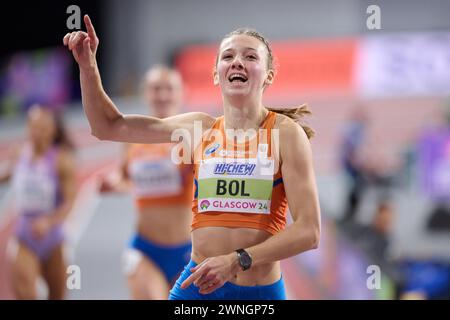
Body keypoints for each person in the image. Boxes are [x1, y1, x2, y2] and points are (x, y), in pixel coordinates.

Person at [64, 15, 321, 300]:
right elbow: (107, 126)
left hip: (258, 294)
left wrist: (236, 260)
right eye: (228, 56)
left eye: (250, 56)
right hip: (197, 287)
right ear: (216, 74)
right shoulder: (198, 129)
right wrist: (88, 67)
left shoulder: (286, 135)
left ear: (269, 75)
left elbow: (308, 231)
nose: (237, 61)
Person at [98, 65, 193, 299]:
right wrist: (113, 183)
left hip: (190, 251)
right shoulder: (133, 138)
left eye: (169, 89)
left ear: (181, 93)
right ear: (145, 94)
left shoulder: (193, 135)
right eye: (155, 89)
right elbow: (124, 177)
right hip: (146, 250)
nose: (162, 95)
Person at [0, 105, 76, 299]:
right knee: (25, 294)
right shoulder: (19, 154)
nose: (37, 133)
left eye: (43, 128)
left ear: (53, 130)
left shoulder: (62, 160)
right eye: (33, 127)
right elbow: (11, 174)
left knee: (57, 295)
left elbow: (69, 202)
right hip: (25, 234)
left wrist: (48, 222)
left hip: (54, 237)